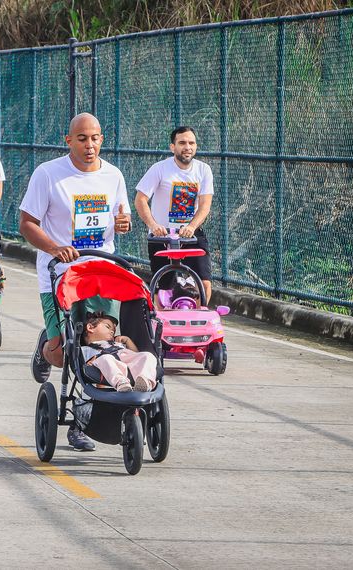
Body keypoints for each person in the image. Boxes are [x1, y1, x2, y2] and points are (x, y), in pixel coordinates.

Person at [18, 112, 132, 451]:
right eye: (82, 138)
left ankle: (81, 424)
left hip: (102, 273)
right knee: (63, 354)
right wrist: (55, 247)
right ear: (69, 141)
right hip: (59, 274)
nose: (90, 145)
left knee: (102, 347)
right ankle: (46, 347)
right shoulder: (49, 175)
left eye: (95, 138)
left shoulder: (113, 175)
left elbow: (120, 215)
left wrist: (124, 222)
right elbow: (26, 223)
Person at [134, 126, 215, 303]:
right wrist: (154, 226)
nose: (187, 147)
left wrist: (192, 226)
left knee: (204, 282)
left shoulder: (203, 170)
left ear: (196, 146)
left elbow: (205, 204)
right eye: (182, 143)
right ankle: (162, 325)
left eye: (191, 143)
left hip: (191, 234)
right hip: (163, 235)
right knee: (162, 285)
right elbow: (140, 200)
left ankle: (198, 321)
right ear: (173, 147)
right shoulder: (159, 169)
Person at [81, 312, 157, 392]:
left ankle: (145, 380)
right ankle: (121, 383)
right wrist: (89, 363)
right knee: (105, 358)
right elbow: (86, 364)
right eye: (107, 327)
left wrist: (128, 340)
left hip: (129, 364)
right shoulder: (86, 349)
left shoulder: (117, 344)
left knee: (147, 355)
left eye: (113, 331)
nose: (112, 332)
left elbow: (136, 354)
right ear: (90, 327)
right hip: (112, 368)